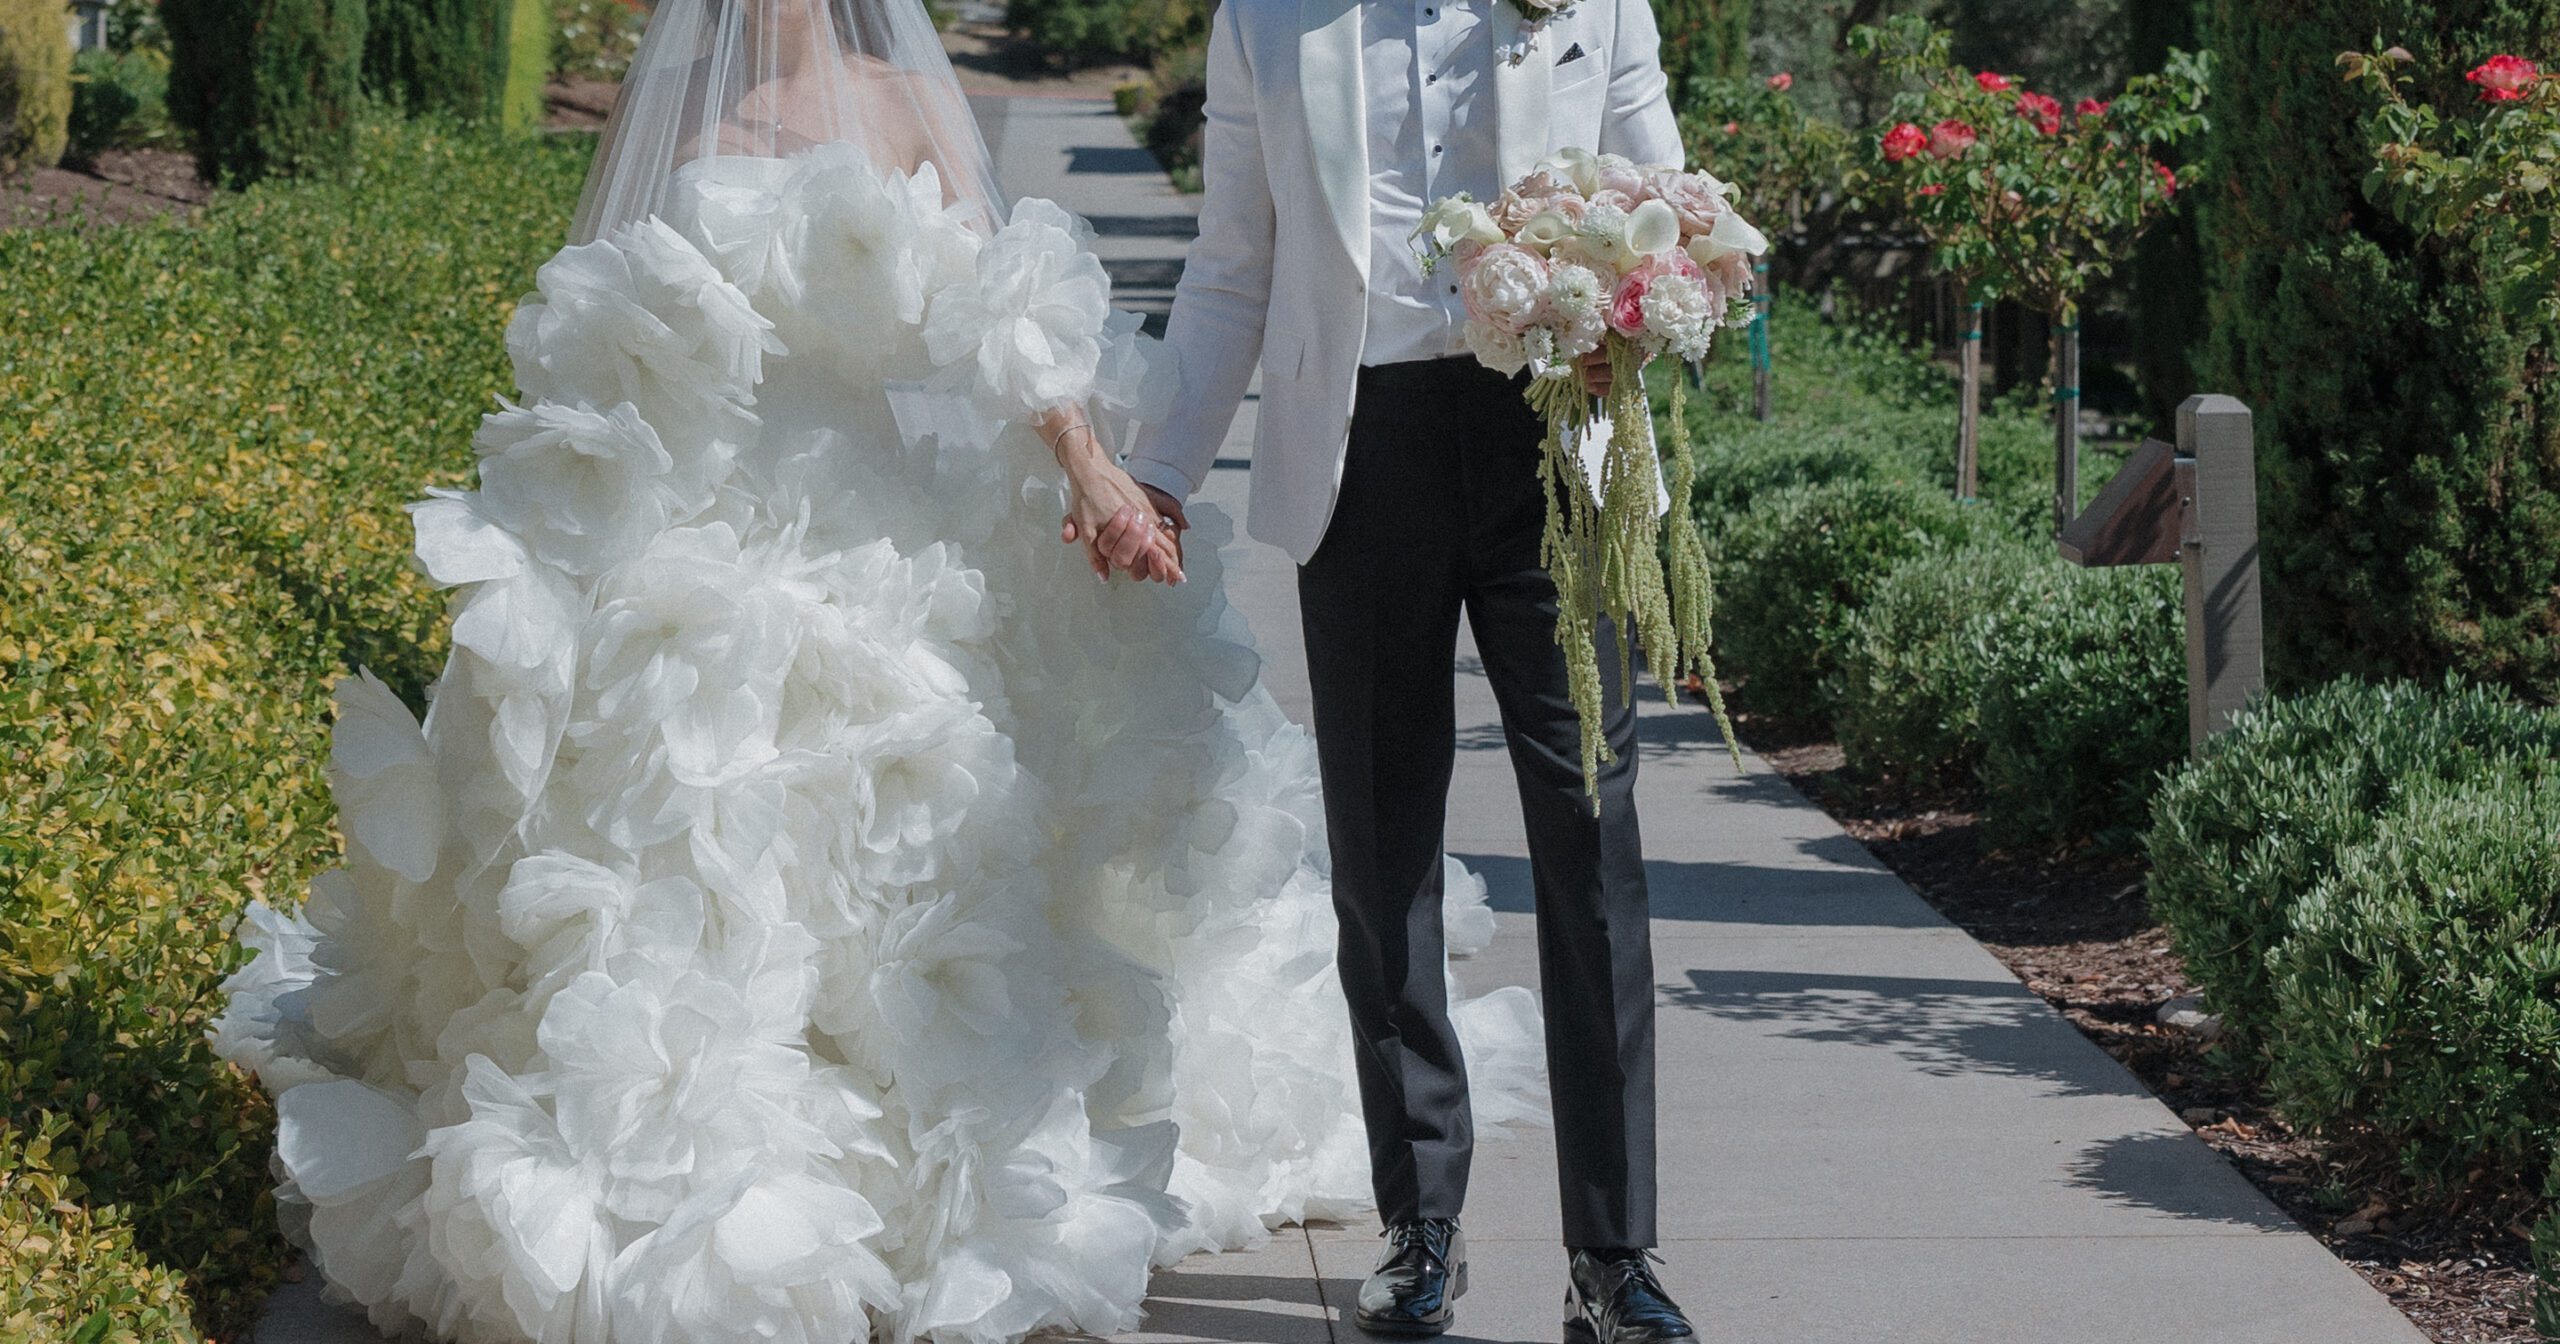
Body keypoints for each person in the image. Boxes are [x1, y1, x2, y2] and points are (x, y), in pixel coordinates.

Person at [205, 0, 1546, 1339]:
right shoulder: (676, 109)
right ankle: (714, 1173)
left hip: (882, 547)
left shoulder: (902, 98)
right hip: (703, 542)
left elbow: (997, 312)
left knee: (909, 867)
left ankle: (910, 1180)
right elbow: (612, 331)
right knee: (687, 863)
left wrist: (1096, 476)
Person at [1120, 0, 1696, 1338]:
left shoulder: (1597, 2)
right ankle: (1418, 1228)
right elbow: (1232, 266)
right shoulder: (1268, 21)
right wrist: (1160, 469)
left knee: (1589, 825)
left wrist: (1643, 297)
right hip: (1359, 449)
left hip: (1555, 443)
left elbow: (1668, 197)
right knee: (1385, 854)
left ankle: (1615, 1256)